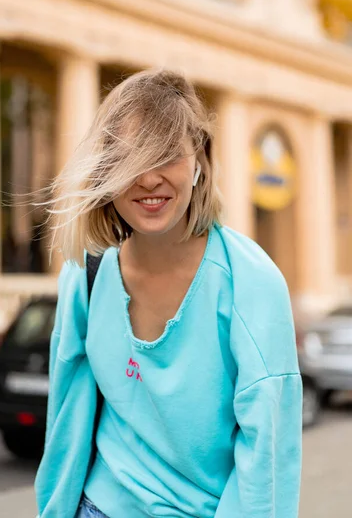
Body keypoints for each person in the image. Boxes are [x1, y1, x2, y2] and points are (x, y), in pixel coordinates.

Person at [35, 70, 302, 518]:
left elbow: (267, 458)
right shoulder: (86, 272)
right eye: (129, 159)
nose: (148, 179)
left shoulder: (250, 283)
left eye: (165, 156)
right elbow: (66, 419)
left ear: (198, 160)